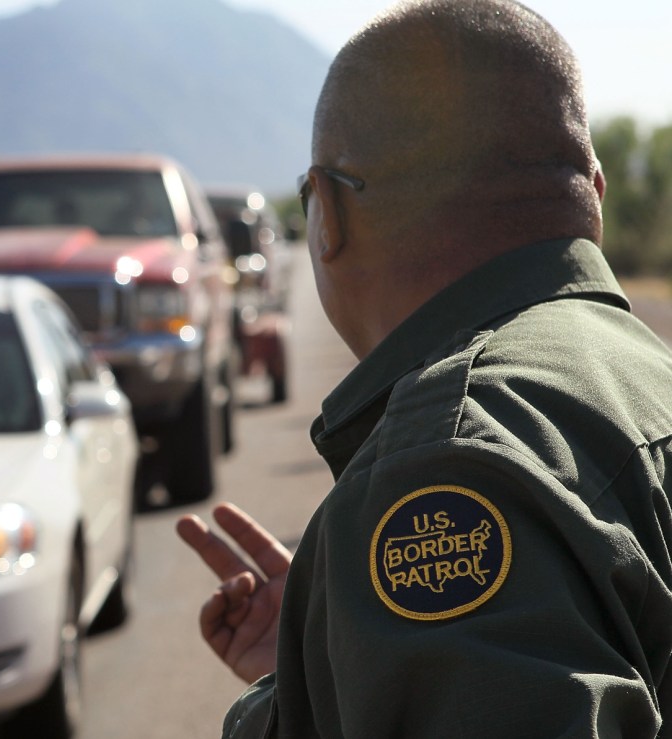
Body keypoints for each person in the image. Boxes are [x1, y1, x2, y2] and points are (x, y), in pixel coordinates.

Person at [176, 1, 672, 736]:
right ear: (592, 198)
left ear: (329, 220)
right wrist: (339, 652)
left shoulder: (454, 456)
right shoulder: (645, 375)